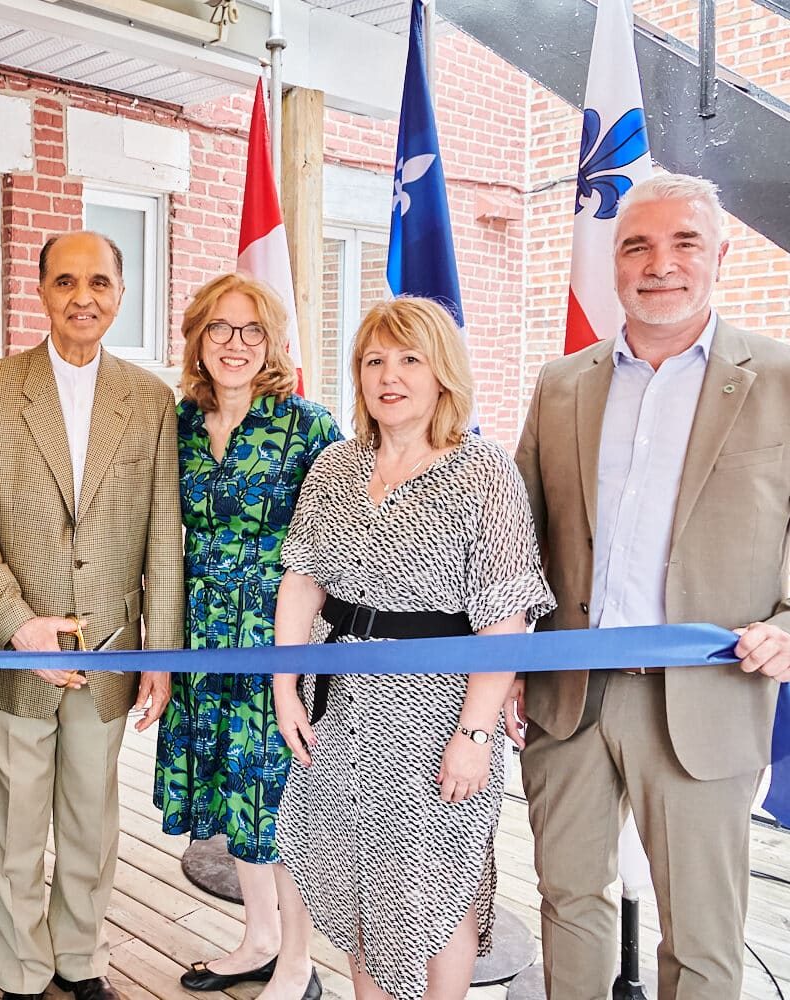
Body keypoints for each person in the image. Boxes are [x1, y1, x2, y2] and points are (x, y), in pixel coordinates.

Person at [512, 173, 790, 1000]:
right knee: (568, 903)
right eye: (637, 245)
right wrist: (506, 665)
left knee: (702, 936)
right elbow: (520, 537)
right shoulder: (561, 384)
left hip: (708, 696)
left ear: (720, 256)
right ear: (614, 263)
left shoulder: (781, 379)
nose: (659, 264)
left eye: (684, 243)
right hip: (569, 696)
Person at [271, 296, 553, 1000]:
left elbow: (504, 617)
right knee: (356, 875)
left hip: (437, 716)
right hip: (339, 708)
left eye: (409, 359)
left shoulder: (484, 471)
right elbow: (302, 581)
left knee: (438, 884)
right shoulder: (334, 467)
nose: (388, 375)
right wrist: (284, 688)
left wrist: (476, 734)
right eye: (374, 360)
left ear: (442, 373)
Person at [0, 230, 184, 1000]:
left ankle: (80, 961)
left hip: (112, 650)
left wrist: (160, 655)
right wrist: (17, 624)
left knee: (91, 823)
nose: (84, 297)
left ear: (121, 293)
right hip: (16, 650)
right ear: (40, 290)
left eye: (100, 282)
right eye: (67, 281)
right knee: (13, 830)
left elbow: (164, 534)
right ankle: (20, 973)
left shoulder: (150, 399)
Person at [152, 273, 341, 991]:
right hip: (201, 636)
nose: (235, 343)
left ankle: (298, 961)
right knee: (236, 796)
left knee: (279, 802)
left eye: (252, 329)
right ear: (198, 338)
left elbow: (343, 535)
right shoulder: (176, 424)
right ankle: (260, 937)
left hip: (279, 637)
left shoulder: (308, 426)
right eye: (220, 328)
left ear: (273, 342)